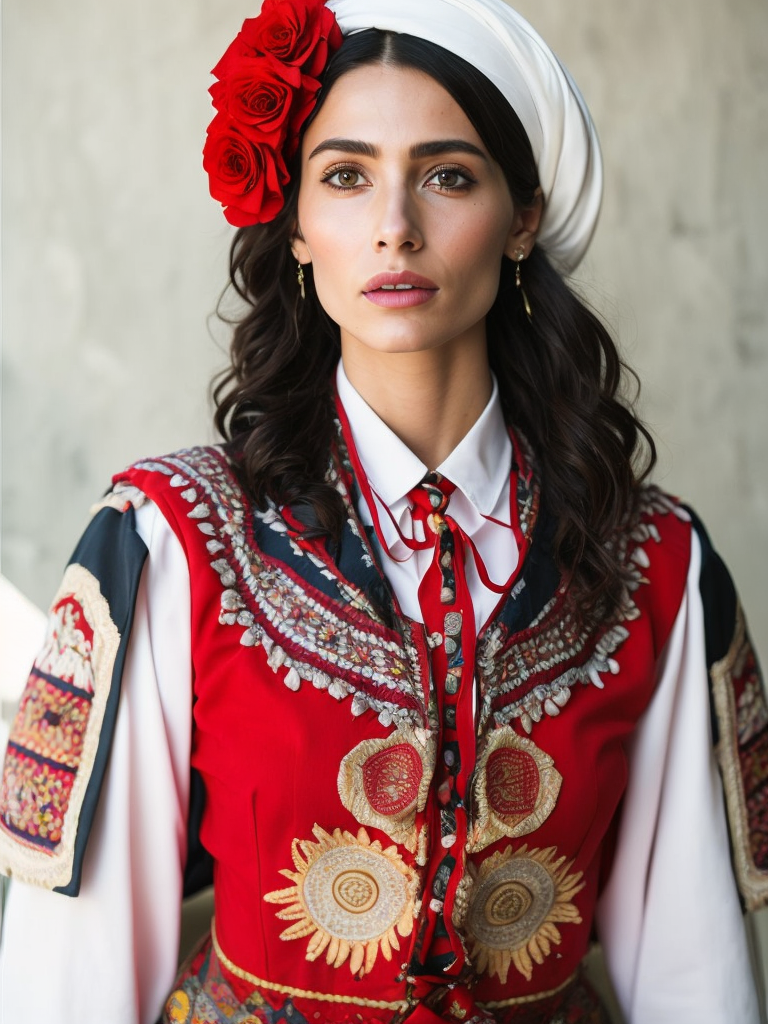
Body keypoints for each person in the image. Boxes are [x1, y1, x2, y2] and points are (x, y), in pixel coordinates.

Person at [1, 1, 766, 1021]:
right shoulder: (168, 539)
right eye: (346, 176)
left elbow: (695, 974)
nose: (394, 226)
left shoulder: (656, 562)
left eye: (448, 176)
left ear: (523, 219)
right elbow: (71, 975)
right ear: (298, 226)